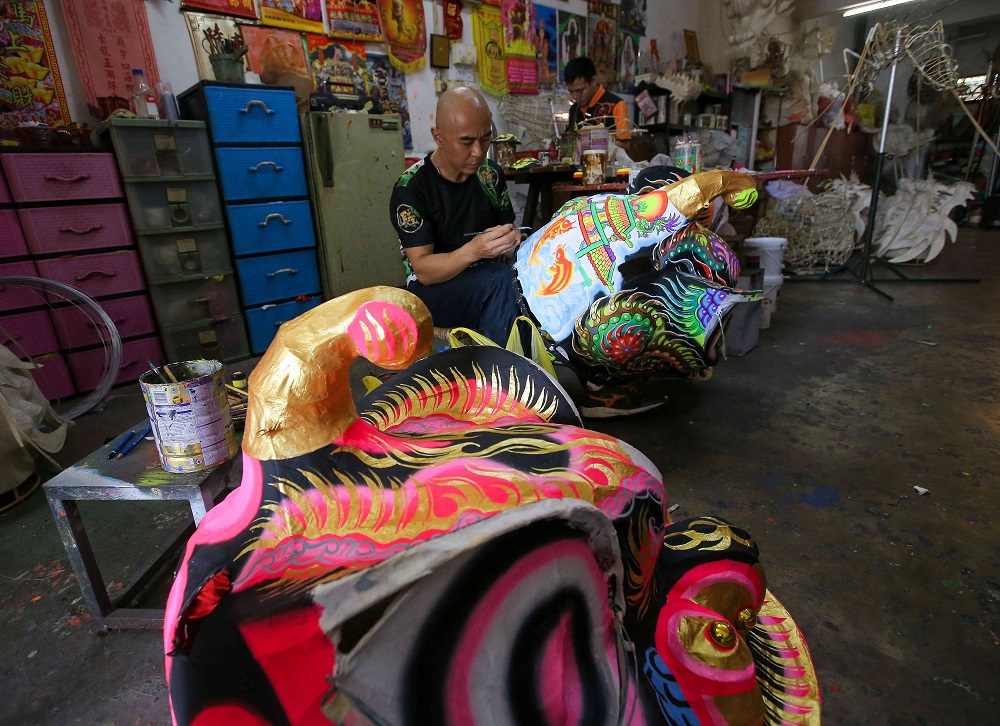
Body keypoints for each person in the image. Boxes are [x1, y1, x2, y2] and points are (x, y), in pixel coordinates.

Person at [389, 86, 523, 345]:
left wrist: (514, 240)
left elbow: (508, 233)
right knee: (501, 282)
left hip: (487, 275)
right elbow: (424, 270)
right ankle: (505, 372)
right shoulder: (412, 188)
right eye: (466, 141)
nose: (478, 151)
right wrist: (475, 250)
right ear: (438, 137)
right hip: (432, 290)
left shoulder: (490, 175)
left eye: (485, 139)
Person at [564, 56, 630, 141]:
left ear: (594, 81)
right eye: (571, 92)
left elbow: (624, 143)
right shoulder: (574, 109)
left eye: (579, 91)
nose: (575, 97)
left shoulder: (616, 104)